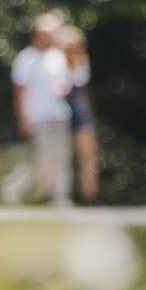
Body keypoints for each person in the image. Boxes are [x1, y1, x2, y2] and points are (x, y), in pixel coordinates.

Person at [11, 12, 72, 207]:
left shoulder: (58, 57)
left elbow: (65, 82)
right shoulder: (25, 59)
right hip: (37, 117)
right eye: (44, 33)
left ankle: (60, 198)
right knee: (41, 160)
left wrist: (65, 88)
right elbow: (19, 93)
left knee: (62, 157)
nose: (48, 37)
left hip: (59, 115)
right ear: (36, 34)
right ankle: (15, 189)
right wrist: (23, 119)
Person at [61, 25, 99, 204]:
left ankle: (89, 196)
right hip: (62, 111)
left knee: (89, 156)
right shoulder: (55, 64)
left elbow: (83, 92)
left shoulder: (83, 61)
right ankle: (62, 196)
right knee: (63, 156)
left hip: (80, 111)